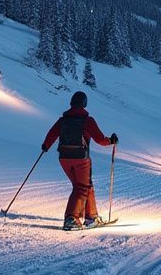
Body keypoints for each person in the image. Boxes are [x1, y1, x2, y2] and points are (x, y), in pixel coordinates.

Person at [41, 91, 117, 230]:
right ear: (84, 104)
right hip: (80, 158)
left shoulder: (63, 120)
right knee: (81, 187)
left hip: (64, 158)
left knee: (85, 185)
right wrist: (111, 141)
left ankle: (91, 216)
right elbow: (100, 140)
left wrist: (45, 146)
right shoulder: (87, 120)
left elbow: (51, 134)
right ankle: (71, 218)